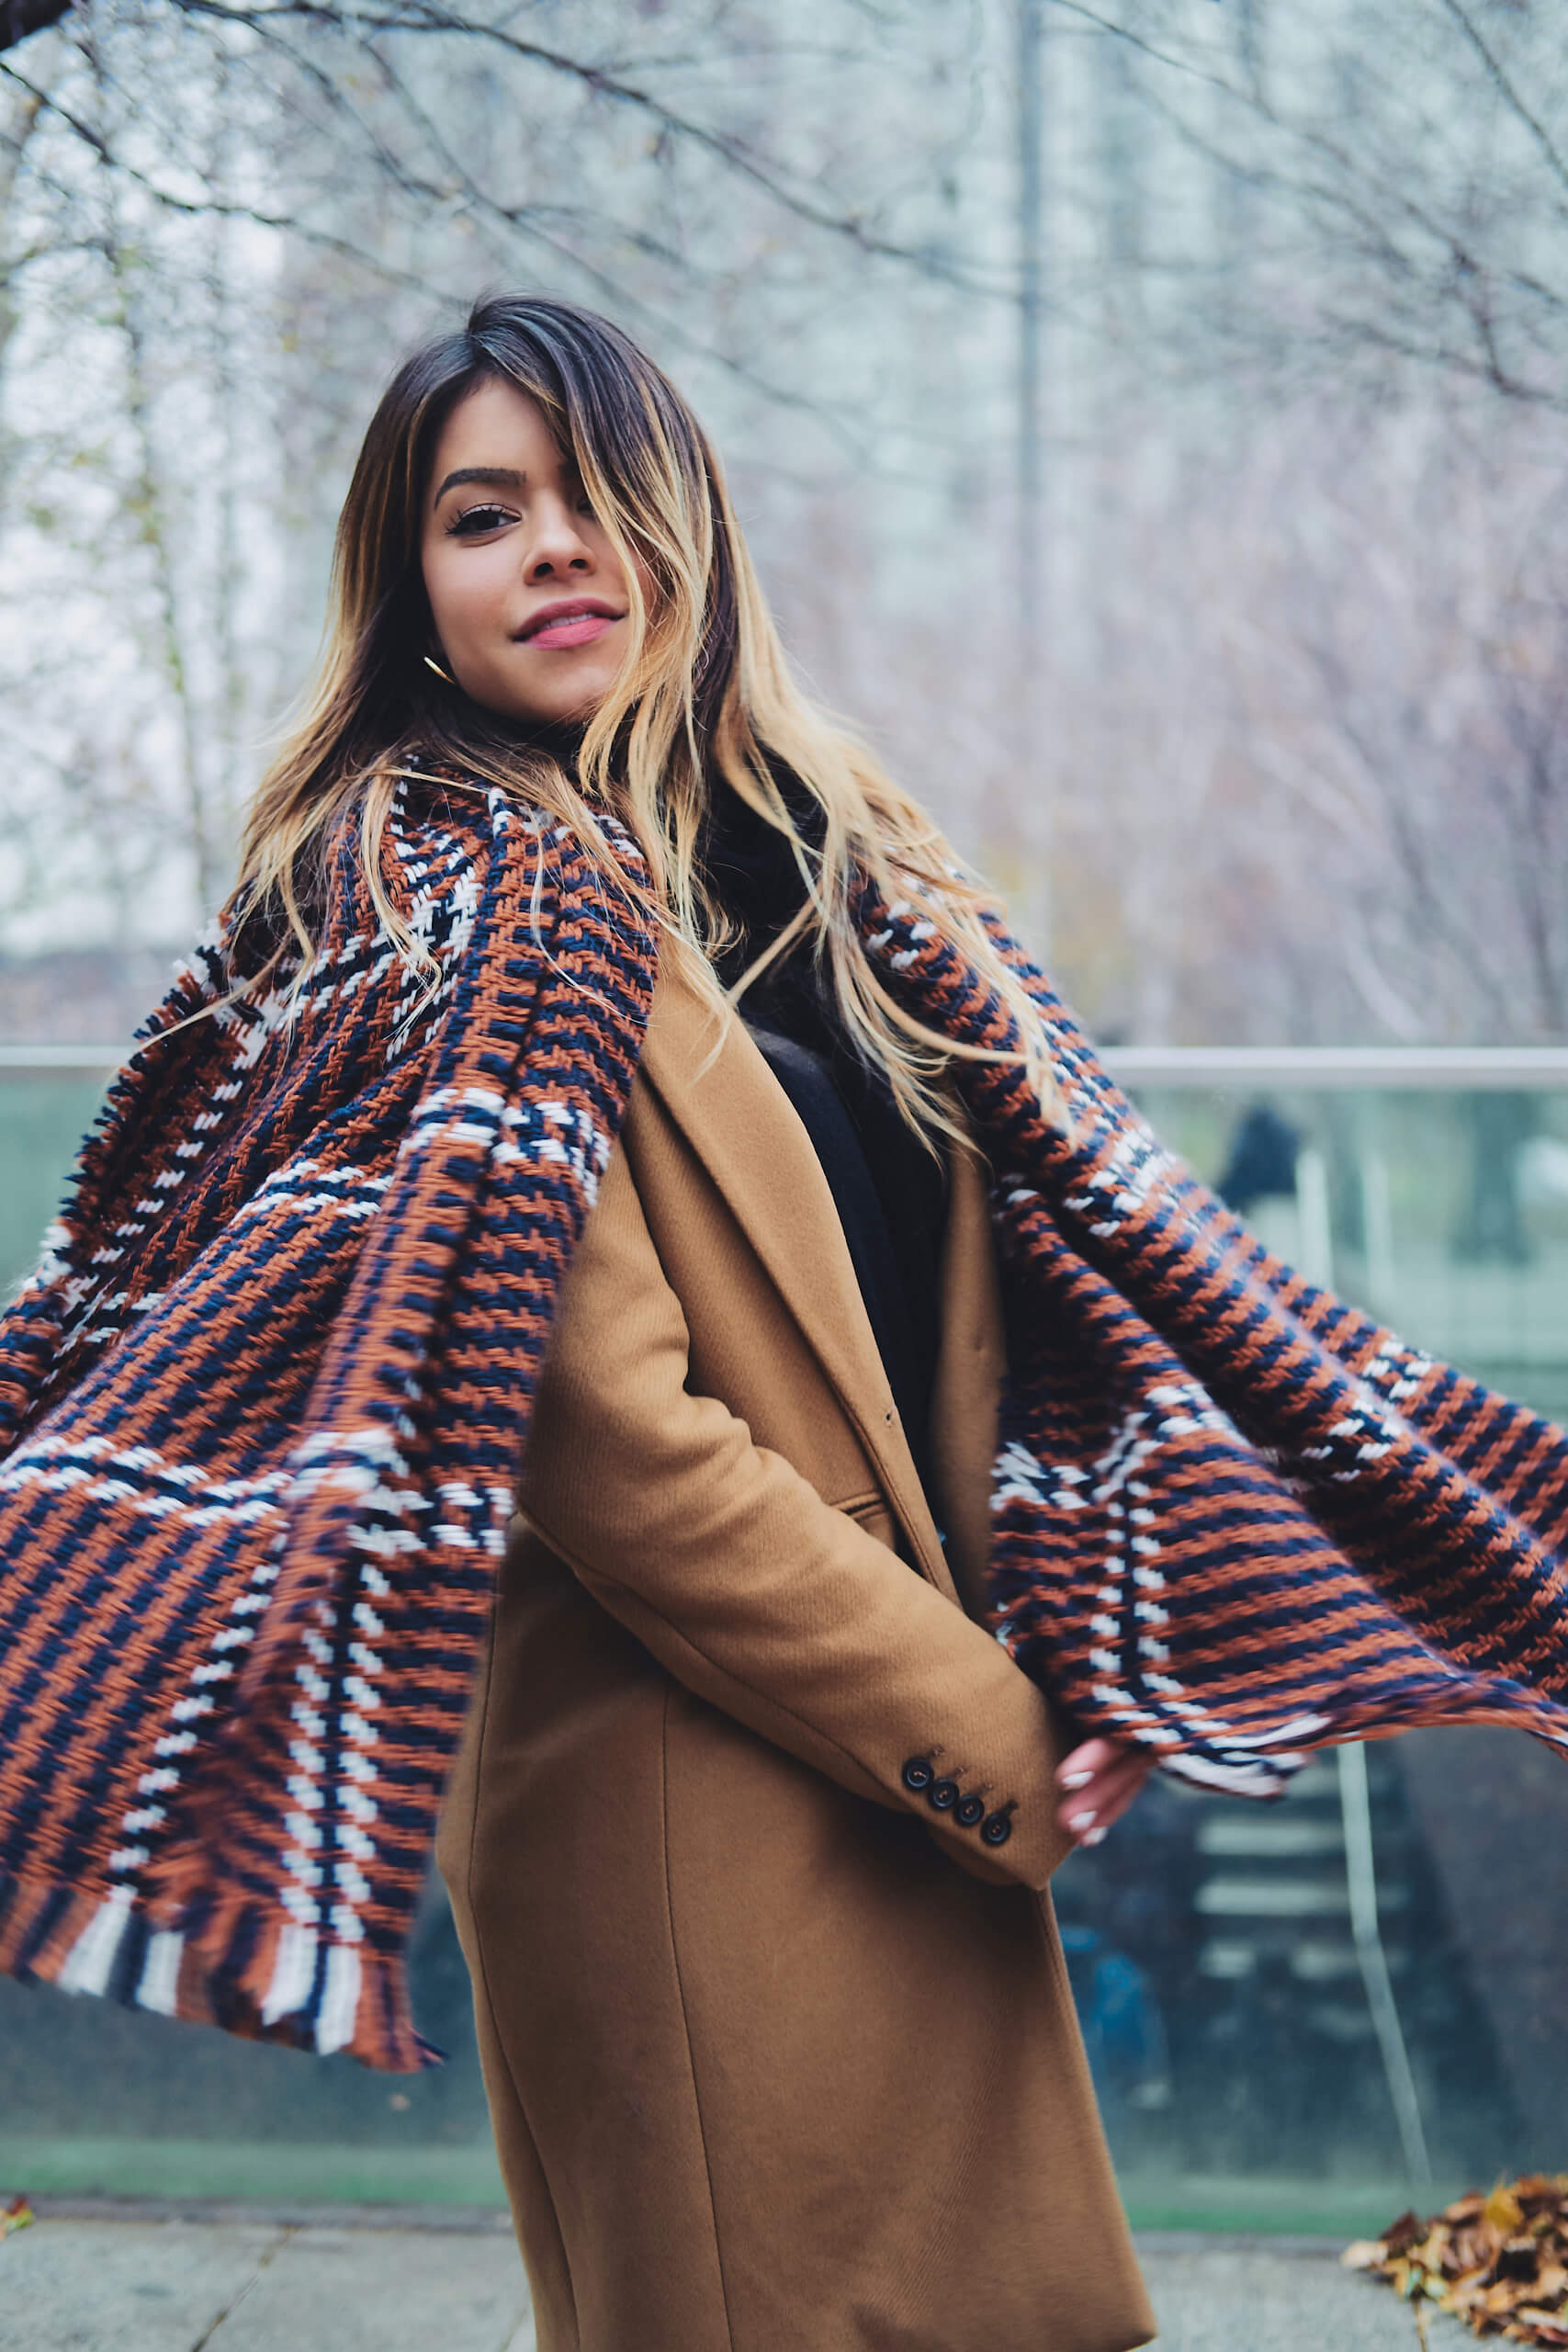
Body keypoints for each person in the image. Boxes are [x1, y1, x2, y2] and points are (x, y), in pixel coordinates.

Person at [233, 294, 1154, 2348]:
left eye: (593, 495)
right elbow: (607, 1444)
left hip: (888, 1735)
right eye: (482, 517)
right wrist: (983, 1728)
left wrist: (1094, 1634)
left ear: (688, 528)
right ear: (411, 597)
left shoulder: (839, 863)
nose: (553, 548)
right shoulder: (422, 900)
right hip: (692, 1790)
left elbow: (1002, 1291)